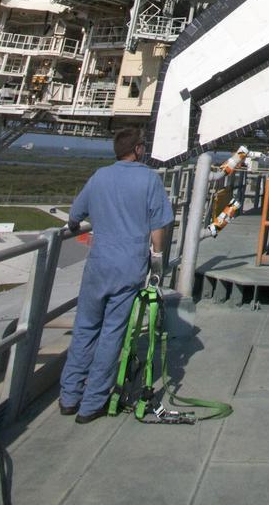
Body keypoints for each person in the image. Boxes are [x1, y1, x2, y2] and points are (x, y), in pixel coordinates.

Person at [59, 126, 173, 423]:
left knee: (84, 329)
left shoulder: (99, 176)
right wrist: (157, 260)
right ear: (137, 149)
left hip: (98, 264)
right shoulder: (149, 179)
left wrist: (77, 224)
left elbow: (75, 216)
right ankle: (92, 403)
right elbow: (157, 227)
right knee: (112, 334)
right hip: (129, 267)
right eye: (143, 146)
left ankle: (69, 396)